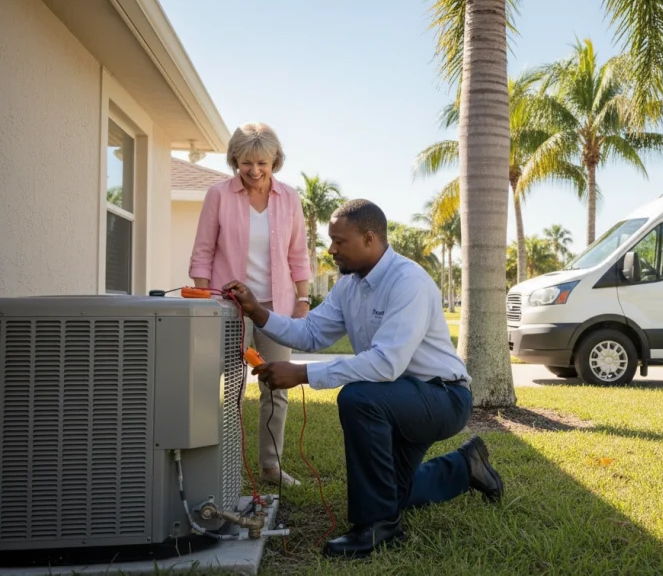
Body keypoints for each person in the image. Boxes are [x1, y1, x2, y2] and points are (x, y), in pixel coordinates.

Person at [222, 199, 503, 559]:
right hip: (398, 397)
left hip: (443, 396)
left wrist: (302, 373)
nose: (331, 249)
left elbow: (386, 364)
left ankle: (379, 525)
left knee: (358, 399)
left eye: (339, 241)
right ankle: (466, 466)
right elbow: (311, 333)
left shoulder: (408, 282)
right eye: (331, 240)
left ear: (370, 238)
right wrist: (257, 311)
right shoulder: (350, 286)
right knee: (393, 492)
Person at [189, 121, 312, 487]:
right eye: (246, 163)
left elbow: (298, 254)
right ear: (234, 160)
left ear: (275, 161)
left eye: (263, 163)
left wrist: (303, 299)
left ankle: (271, 467)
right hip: (229, 307)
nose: (255, 171)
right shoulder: (219, 195)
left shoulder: (289, 198)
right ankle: (223, 463)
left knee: (277, 388)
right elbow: (203, 253)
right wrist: (206, 302)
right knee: (230, 387)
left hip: (275, 310)